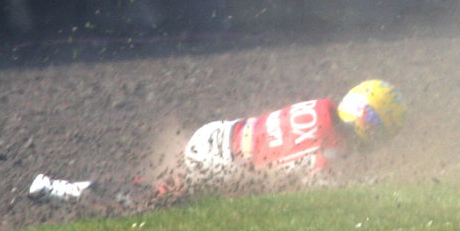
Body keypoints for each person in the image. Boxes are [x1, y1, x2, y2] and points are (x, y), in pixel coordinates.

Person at [165, 80, 405, 195]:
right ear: (364, 118)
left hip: (216, 132)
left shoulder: (321, 106)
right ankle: (161, 193)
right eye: (378, 127)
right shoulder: (334, 144)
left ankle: (161, 186)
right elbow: (322, 187)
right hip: (221, 163)